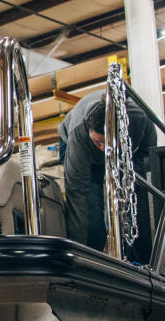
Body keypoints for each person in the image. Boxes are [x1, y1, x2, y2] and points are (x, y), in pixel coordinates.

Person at [57, 89, 156, 262]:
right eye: (98, 142)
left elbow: (147, 161)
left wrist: (129, 179)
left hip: (122, 153)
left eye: (107, 143)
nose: (103, 148)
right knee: (91, 209)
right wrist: (77, 253)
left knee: (135, 200)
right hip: (80, 149)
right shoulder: (79, 133)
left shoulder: (140, 120)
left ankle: (141, 259)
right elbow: (77, 193)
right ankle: (92, 259)